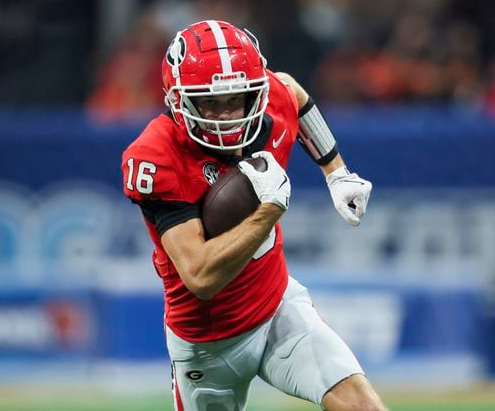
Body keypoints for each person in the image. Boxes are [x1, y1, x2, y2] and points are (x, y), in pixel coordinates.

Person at [121, 20, 385, 411]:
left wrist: (336, 171)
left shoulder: (271, 103)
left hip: (278, 308)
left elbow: (292, 91)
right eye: (210, 102)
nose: (226, 115)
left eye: (235, 99)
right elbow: (200, 276)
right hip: (209, 346)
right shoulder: (158, 155)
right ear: (180, 101)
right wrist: (267, 212)